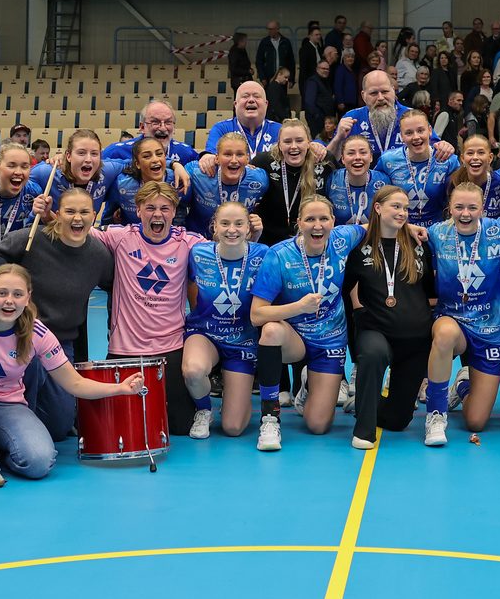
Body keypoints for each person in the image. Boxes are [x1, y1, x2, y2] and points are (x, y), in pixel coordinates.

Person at [0, 264, 142, 486]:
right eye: (1, 293)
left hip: (6, 407)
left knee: (39, 462)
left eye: (17, 294)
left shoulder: (37, 333)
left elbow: (75, 383)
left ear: (28, 298)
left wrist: (119, 388)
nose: (9, 301)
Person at [87, 182, 205, 435]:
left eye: (165, 208)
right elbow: (77, 229)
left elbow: (227, 250)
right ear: (138, 210)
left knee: (181, 427)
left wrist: (254, 234)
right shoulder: (120, 237)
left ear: (174, 211)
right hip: (125, 347)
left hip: (170, 346)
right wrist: (48, 212)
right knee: (113, 427)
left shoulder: (188, 242)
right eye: (150, 207)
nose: (157, 214)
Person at [250, 195, 364, 450]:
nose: (317, 225)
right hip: (295, 338)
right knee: (269, 331)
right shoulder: (278, 255)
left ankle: (306, 386)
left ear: (333, 222)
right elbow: (256, 314)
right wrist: (299, 307)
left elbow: (372, 226)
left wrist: (410, 228)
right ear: (299, 223)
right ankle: (270, 417)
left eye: (324, 219)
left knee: (318, 426)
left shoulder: (343, 238)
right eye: (310, 219)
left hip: (330, 341)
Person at [0, 187, 111, 409]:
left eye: (84, 212)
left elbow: (114, 285)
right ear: (57, 214)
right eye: (70, 211)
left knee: (60, 423)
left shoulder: (100, 256)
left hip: (61, 343)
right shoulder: (31, 239)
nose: (77, 218)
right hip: (21, 337)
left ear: (94, 216)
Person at [423, 183, 500, 445]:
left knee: (475, 422)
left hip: (491, 329)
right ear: (449, 208)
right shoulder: (437, 234)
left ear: (483, 209)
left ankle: (463, 385)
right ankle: (436, 414)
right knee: (444, 334)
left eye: (472, 207)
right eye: (459, 207)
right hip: (453, 320)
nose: (465, 213)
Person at [341, 186, 434, 448]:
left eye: (405, 208)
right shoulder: (359, 248)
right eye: (396, 206)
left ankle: (363, 403)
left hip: (415, 342)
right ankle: (363, 431)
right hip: (376, 331)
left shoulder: (417, 245)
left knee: (397, 420)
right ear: (378, 208)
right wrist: (358, 321)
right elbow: (344, 292)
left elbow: (429, 291)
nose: (402, 212)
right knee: (373, 353)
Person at [183, 201, 270, 439]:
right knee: (193, 370)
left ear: (248, 228)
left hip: (242, 341)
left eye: (239, 224)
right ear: (215, 227)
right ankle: (204, 410)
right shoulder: (198, 253)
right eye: (225, 223)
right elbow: (191, 286)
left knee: (233, 428)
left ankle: (236, 397)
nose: (232, 229)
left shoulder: (262, 255)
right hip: (206, 333)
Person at [329, 69, 456, 163]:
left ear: (394, 91)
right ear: (363, 96)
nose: (380, 98)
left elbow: (435, 147)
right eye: (373, 93)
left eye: (385, 91)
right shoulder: (352, 118)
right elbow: (330, 160)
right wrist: (338, 138)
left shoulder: (412, 117)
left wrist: (444, 146)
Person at [253, 119, 331, 246]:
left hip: (310, 242)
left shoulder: (323, 161)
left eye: (299, 140)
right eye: (287, 141)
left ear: (309, 143)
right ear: (279, 144)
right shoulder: (263, 162)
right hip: (270, 244)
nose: (293, 146)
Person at [185, 131, 268, 235]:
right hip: (199, 241)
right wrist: (175, 164)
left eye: (239, 154)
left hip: (236, 242)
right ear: (216, 158)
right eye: (227, 154)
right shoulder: (197, 173)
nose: (234, 160)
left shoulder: (260, 179)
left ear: (247, 159)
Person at [102, 100, 200, 167]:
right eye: (155, 122)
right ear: (142, 127)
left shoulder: (187, 154)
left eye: (168, 122)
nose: (162, 128)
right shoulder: (116, 152)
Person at [204, 80, 283, 158]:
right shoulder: (221, 129)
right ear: (235, 105)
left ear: (266, 104)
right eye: (245, 96)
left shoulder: (280, 131)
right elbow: (211, 158)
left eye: (256, 96)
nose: (251, 100)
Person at [327, 135, 390, 225]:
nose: (357, 157)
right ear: (343, 159)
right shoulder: (333, 179)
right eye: (351, 153)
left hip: (373, 238)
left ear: (371, 157)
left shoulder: (384, 181)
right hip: (341, 238)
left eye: (363, 152)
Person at [448, 135, 500, 219]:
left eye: (481, 153)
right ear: (463, 158)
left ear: (490, 158)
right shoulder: (454, 183)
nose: (475, 157)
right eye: (470, 153)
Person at [256, 21, 295, 86]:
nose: (269, 31)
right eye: (268, 29)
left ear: (277, 29)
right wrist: (262, 77)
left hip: (283, 78)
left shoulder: (286, 42)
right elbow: (259, 61)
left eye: (271, 29)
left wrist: (291, 79)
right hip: (268, 78)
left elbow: (291, 61)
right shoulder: (264, 42)